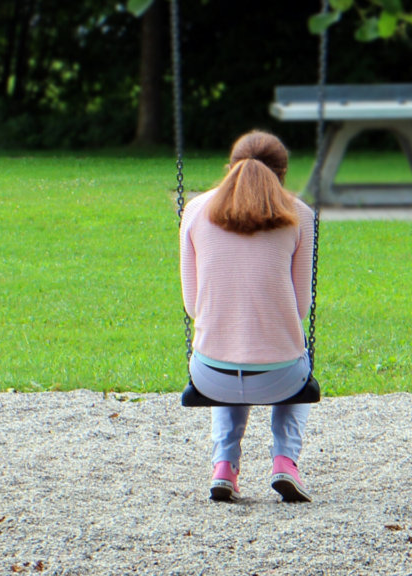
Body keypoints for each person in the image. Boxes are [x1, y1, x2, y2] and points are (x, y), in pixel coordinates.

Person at [179, 130, 315, 503]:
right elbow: (300, 308)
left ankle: (224, 465)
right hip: (282, 378)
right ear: (283, 173)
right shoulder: (300, 215)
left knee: (225, 348)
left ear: (230, 168)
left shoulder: (194, 210)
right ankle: (285, 462)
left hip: (211, 377)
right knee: (294, 352)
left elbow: (193, 307)